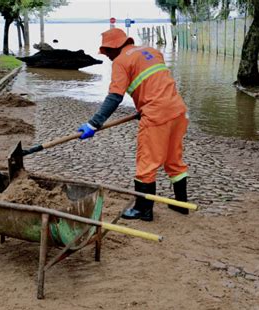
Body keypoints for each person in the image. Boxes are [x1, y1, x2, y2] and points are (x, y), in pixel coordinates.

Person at [78, 28, 189, 222]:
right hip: (176, 110)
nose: (108, 57)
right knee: (174, 159)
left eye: (107, 53)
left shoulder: (121, 61)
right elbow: (155, 84)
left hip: (156, 115)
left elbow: (115, 97)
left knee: (146, 163)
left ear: (113, 48)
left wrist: (93, 124)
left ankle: (143, 210)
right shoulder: (152, 51)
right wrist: (142, 107)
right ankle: (182, 204)